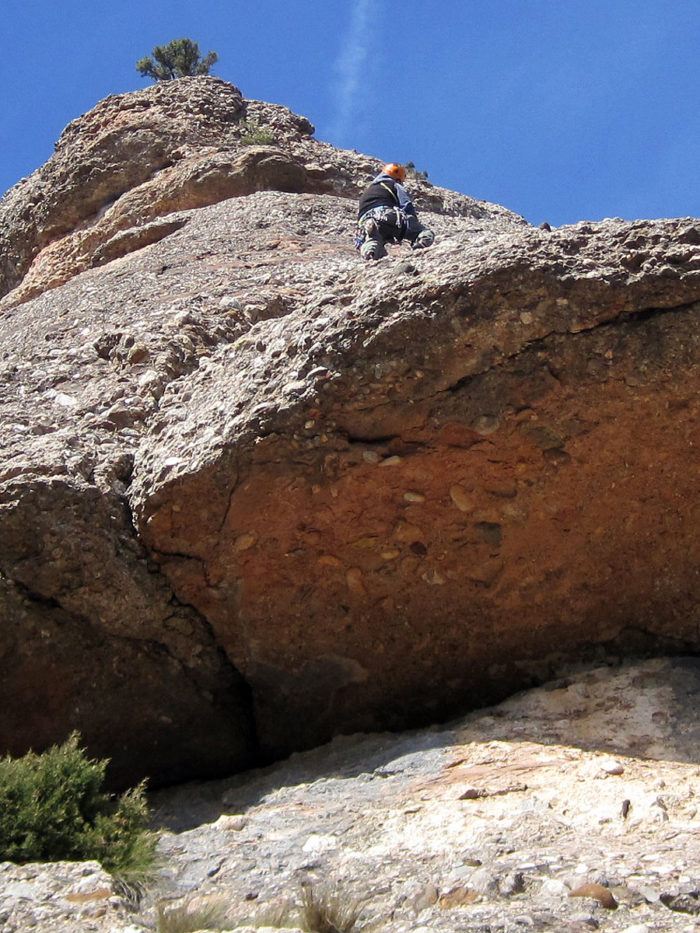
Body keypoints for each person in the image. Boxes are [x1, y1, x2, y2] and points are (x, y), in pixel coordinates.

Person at [356, 163, 435, 261]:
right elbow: (406, 203)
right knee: (425, 232)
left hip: (366, 222)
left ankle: (370, 256)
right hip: (387, 215)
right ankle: (420, 247)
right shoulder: (393, 184)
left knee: (373, 240)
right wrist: (412, 222)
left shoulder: (367, 192)